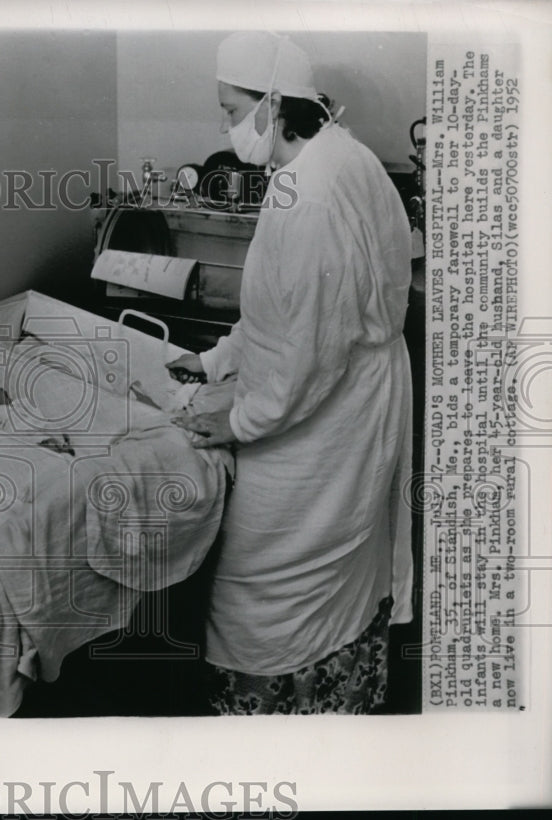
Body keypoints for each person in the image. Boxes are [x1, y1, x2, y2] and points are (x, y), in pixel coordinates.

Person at [167, 31, 414, 714]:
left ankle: (286, 726)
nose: (223, 125)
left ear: (273, 103)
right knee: (334, 567)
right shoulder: (336, 156)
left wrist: (236, 418)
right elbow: (278, 311)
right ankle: (325, 705)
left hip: (330, 415)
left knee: (263, 582)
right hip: (342, 391)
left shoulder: (309, 199)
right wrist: (215, 360)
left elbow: (306, 356)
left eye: (229, 109)